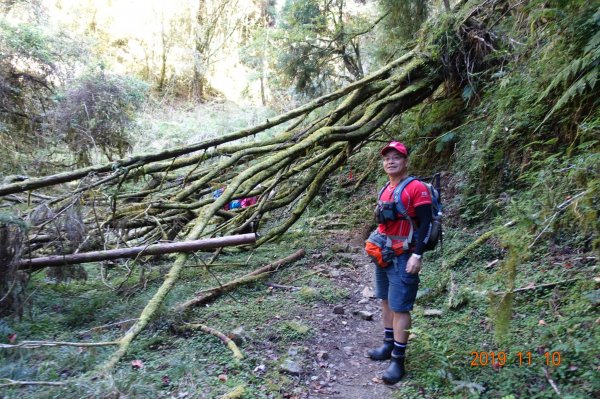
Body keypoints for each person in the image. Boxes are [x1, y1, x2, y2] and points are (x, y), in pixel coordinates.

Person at [367, 141, 432, 384]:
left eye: (396, 157)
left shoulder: (416, 188)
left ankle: (398, 360)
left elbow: (425, 223)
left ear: (405, 161)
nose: (390, 161)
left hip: (405, 254)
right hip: (384, 252)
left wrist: (418, 254)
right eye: (386, 158)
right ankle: (386, 344)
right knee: (385, 300)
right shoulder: (386, 187)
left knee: (401, 307)